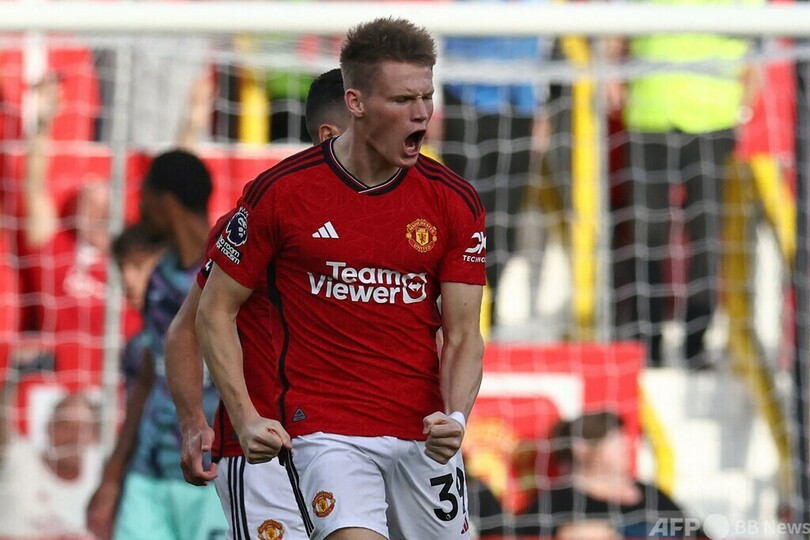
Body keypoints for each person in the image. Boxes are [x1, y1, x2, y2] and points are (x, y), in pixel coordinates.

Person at [197, 17, 486, 540]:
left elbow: (464, 334)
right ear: (355, 102)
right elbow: (213, 311)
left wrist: (458, 417)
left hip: (422, 435)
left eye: (426, 96)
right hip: (326, 432)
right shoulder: (283, 193)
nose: (421, 113)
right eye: (402, 100)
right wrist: (242, 416)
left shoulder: (453, 201)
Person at [165, 67, 348, 540]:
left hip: (363, 447)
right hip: (268, 456)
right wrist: (193, 423)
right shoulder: (258, 215)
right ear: (331, 135)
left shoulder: (408, 217)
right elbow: (186, 329)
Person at [607, 12, 760, 368]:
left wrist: (742, 107)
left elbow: (758, 50)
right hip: (651, 115)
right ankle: (647, 343)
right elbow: (615, 25)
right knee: (648, 234)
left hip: (712, 120)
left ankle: (696, 343)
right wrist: (612, 72)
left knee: (707, 235)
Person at [86, 150, 226, 540]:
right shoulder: (161, 279)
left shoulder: (231, 272)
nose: (139, 206)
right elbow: (147, 381)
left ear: (165, 201)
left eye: (143, 194)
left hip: (215, 474)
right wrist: (113, 476)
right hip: (148, 475)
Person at [439, 6, 550, 325]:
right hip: (465, 99)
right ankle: (458, 317)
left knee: (505, 217)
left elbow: (539, 35)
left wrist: (537, 105)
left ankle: (492, 315)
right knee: (463, 216)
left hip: (518, 105)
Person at [534, 411, 706, 539]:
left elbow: (696, 534)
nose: (625, 447)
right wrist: (563, 534)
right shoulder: (556, 502)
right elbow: (522, 532)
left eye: (624, 439)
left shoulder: (650, 494)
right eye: (613, 441)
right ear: (581, 448)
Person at [0, 366, 101, 538]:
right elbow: (3, 422)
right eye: (65, 425)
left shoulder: (100, 476)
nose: (73, 436)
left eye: (82, 428)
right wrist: (17, 371)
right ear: (49, 428)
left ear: (94, 436)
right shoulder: (20, 460)